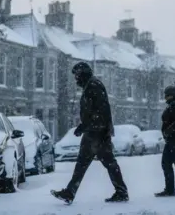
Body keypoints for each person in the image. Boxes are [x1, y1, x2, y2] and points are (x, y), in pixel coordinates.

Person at [51, 62, 129, 204]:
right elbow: (95, 111)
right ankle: (120, 191)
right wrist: (84, 126)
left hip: (96, 132)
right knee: (104, 163)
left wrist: (87, 126)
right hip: (96, 131)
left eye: (77, 75)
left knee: (92, 163)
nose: (76, 78)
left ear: (83, 73)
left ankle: (71, 192)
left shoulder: (93, 85)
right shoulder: (91, 85)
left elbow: (100, 110)